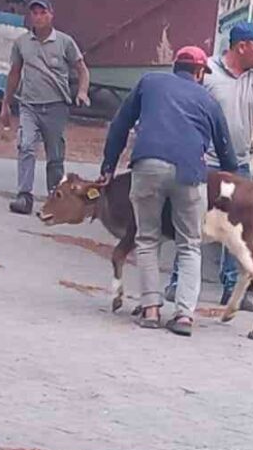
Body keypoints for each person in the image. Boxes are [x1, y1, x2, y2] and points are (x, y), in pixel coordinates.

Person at [165, 21, 253, 311]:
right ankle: (177, 283)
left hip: (238, 164)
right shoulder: (208, 70)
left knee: (239, 228)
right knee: (192, 221)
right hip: (204, 163)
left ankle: (233, 288)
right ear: (240, 46)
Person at [99, 46, 239, 337]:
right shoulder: (208, 100)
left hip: (147, 165)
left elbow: (120, 125)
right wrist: (230, 177)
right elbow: (227, 153)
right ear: (199, 72)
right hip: (190, 172)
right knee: (189, 244)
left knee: (147, 238)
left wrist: (108, 166)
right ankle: (184, 316)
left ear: (176, 66)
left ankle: (150, 309)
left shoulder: (149, 82)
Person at [2, 0, 90, 215]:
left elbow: (82, 70)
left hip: (55, 106)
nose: (39, 17)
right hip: (29, 105)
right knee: (26, 146)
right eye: (35, 13)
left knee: (55, 155)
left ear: (51, 15)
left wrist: (82, 91)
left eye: (43, 13)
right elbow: (14, 73)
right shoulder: (22, 43)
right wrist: (6, 103)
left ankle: (55, 196)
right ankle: (24, 196)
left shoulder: (64, 42)